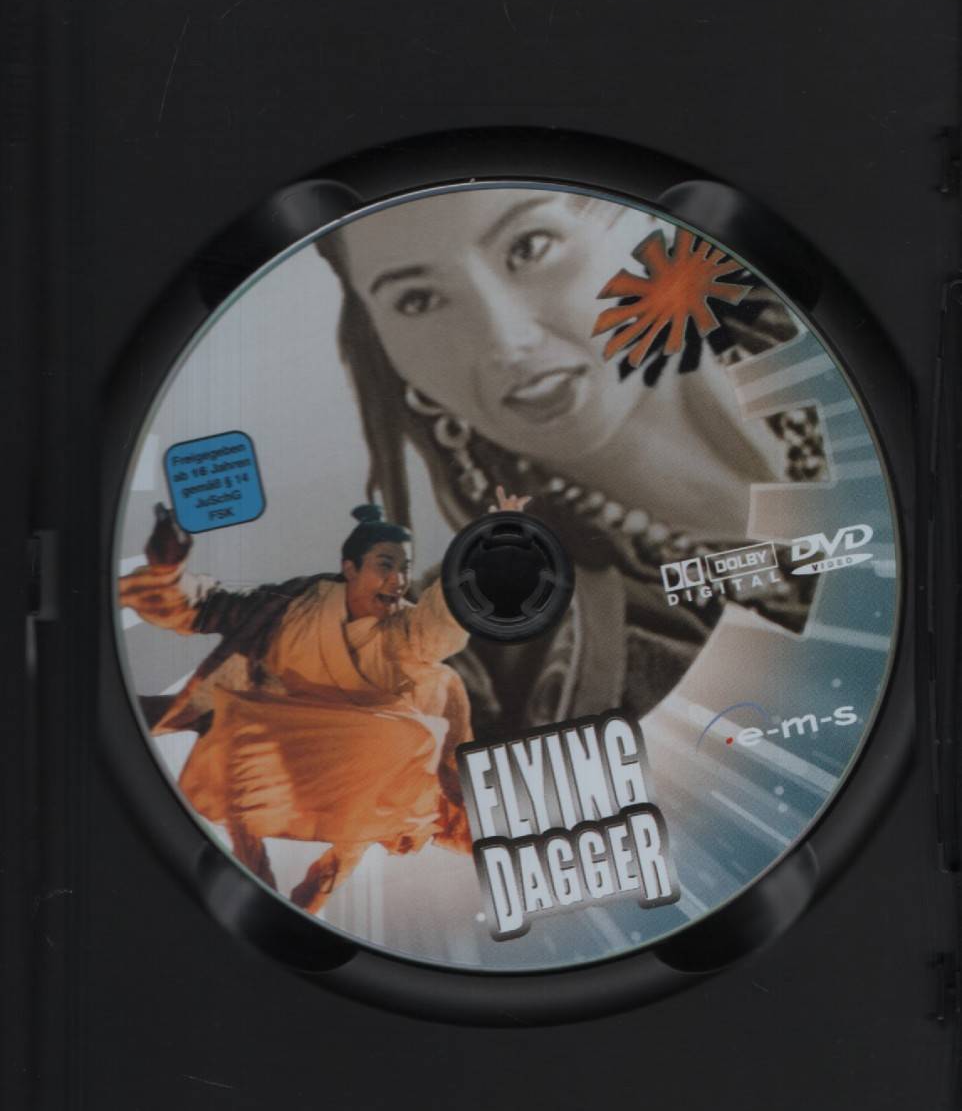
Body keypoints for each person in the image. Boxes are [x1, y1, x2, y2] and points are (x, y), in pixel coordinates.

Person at [315, 186, 823, 735]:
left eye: (530, 247)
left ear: (643, 225)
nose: (506, 339)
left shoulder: (830, 360)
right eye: (417, 300)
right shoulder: (456, 650)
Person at [119, 490, 527, 910]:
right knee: (143, 720)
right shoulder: (290, 610)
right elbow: (204, 606)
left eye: (404, 569)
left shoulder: (403, 639)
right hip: (252, 740)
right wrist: (168, 570)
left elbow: (438, 623)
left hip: (330, 773)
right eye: (385, 565)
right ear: (350, 568)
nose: (398, 581)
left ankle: (297, 897)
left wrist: (492, 545)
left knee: (410, 747)